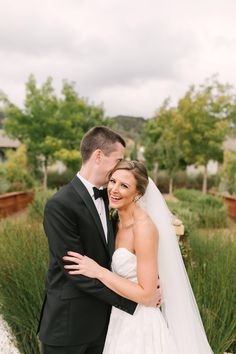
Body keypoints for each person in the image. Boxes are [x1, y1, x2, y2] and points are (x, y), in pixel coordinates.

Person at [64, 160, 214, 354]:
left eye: (124, 185)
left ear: (138, 194)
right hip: (117, 317)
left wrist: (99, 272)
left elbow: (146, 294)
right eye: (113, 181)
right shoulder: (114, 220)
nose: (114, 190)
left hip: (139, 324)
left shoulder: (143, 228)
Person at [37, 126, 162, 354]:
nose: (119, 168)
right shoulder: (60, 204)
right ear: (98, 156)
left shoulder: (111, 196)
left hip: (108, 327)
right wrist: (136, 300)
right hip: (68, 328)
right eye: (118, 159)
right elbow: (76, 271)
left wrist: (148, 279)